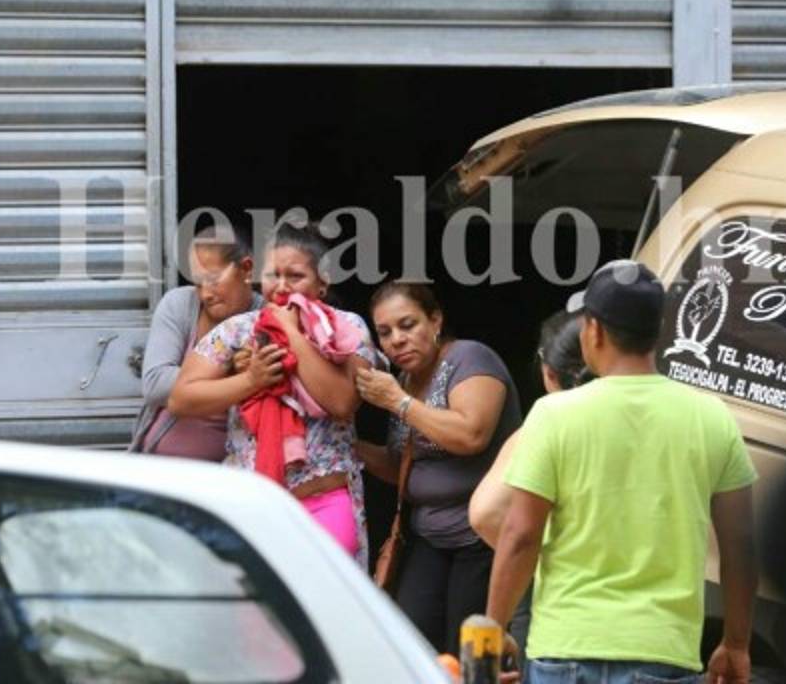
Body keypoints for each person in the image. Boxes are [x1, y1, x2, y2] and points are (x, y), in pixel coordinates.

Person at [486, 260, 758, 684]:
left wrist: (495, 630)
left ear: (592, 330)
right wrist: (736, 644)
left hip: (566, 649)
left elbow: (521, 535)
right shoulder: (712, 417)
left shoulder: (554, 415)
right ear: (658, 331)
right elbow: (740, 544)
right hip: (664, 650)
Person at [168, 223, 377, 565]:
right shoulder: (238, 330)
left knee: (326, 612)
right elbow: (182, 398)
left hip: (324, 499)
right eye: (272, 275)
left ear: (322, 283)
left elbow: (341, 402)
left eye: (295, 276)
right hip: (255, 506)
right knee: (258, 616)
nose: (281, 287)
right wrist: (251, 380)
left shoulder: (346, 328)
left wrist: (292, 335)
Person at [355, 282, 521, 656]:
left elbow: (471, 433)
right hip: (430, 536)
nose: (397, 339)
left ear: (435, 320)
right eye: (385, 332)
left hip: (480, 536)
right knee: (412, 643)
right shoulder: (404, 382)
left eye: (407, 324)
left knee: (468, 652)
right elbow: (400, 467)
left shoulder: (469, 359)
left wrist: (398, 403)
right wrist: (346, 448)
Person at [468, 311, 591, 663]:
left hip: (554, 603)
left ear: (547, 370)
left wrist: (543, 561)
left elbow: (486, 513)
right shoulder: (660, 416)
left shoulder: (551, 419)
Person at [128, 225, 263, 459]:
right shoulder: (180, 305)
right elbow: (155, 384)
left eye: (213, 280)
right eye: (199, 283)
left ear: (246, 269)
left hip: (227, 477)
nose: (205, 294)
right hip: (156, 465)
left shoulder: (267, 318)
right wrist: (233, 372)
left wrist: (199, 382)